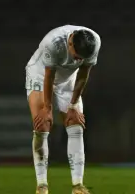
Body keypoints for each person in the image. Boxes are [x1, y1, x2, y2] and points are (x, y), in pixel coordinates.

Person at [26, 25, 101, 194]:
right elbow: (49, 75)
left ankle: (78, 185)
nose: (78, 60)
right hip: (40, 75)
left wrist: (73, 105)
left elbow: (83, 73)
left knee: (76, 124)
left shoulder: (95, 42)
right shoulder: (52, 42)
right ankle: (42, 185)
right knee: (42, 124)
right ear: (70, 44)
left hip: (68, 79)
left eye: (81, 58)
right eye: (76, 56)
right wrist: (47, 107)